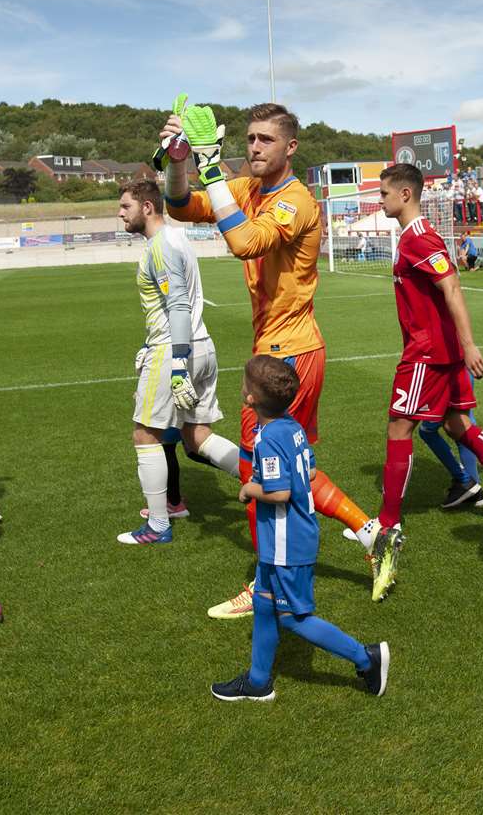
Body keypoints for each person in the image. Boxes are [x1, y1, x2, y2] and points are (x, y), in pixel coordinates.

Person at [158, 98, 375, 617]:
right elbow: (181, 206)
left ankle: (265, 585)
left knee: (263, 470)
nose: (254, 147)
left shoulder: (294, 199)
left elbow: (246, 243)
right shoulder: (249, 187)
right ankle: (371, 531)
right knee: (291, 466)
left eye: (266, 140)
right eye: (250, 138)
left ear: (290, 147)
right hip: (287, 347)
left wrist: (211, 166)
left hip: (288, 353)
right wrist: (179, 160)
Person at [370, 164, 483, 601]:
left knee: (399, 428)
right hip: (441, 352)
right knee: (461, 426)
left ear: (405, 194)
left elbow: (452, 286)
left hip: (428, 354)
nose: (380, 200)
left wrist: (470, 344)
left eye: (384, 194)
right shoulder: (414, 236)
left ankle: (387, 523)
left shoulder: (420, 237)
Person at [210, 357, 390, 702]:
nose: (242, 386)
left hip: (287, 543)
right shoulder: (291, 427)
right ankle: (258, 681)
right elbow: (307, 473)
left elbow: (280, 493)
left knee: (293, 618)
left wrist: (250, 488)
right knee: (264, 605)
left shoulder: (267, 439)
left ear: (251, 400)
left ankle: (365, 658)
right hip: (280, 540)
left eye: (245, 383)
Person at [116, 179, 246, 545]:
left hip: (177, 348)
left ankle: (158, 525)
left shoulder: (160, 246)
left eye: (125, 206)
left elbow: (177, 305)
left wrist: (176, 362)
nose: (119, 213)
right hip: (201, 344)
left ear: (147, 207)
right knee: (196, 436)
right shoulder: (177, 238)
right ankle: (261, 478)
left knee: (145, 433)